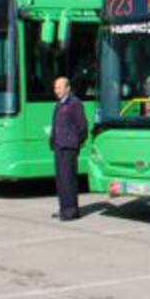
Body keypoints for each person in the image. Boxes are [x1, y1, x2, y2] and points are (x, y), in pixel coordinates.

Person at [49, 76, 88, 221]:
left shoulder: (74, 103)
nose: (56, 90)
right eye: (55, 88)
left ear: (68, 88)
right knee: (61, 180)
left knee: (68, 179)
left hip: (69, 147)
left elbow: (82, 125)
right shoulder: (59, 104)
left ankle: (71, 211)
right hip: (59, 146)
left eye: (59, 87)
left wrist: (76, 141)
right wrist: (53, 140)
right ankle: (63, 209)